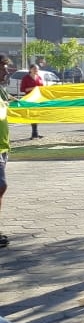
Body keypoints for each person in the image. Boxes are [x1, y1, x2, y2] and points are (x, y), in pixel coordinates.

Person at [0, 72, 10, 248]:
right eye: (3, 67)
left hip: (3, 146)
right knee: (1, 185)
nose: (7, 72)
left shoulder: (1, 90)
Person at [20, 64, 44, 139]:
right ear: (30, 69)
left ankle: (35, 133)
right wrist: (33, 88)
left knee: (37, 115)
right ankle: (34, 133)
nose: (36, 70)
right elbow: (22, 89)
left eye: (37, 69)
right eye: (34, 69)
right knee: (32, 115)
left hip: (38, 98)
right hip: (29, 99)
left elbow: (42, 87)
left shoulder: (39, 77)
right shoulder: (25, 78)